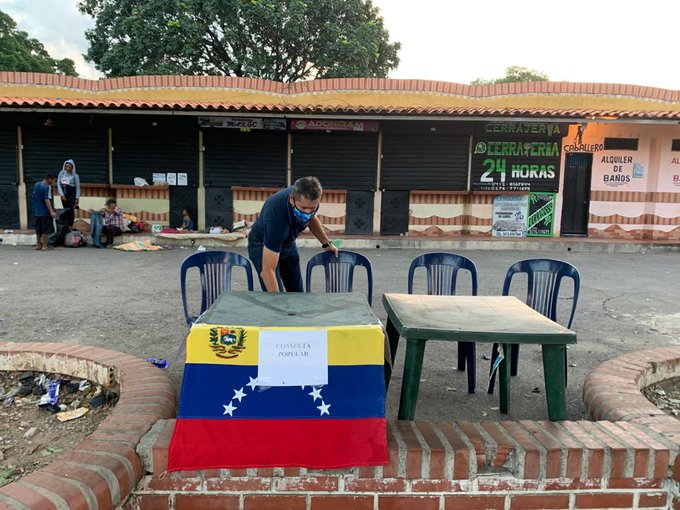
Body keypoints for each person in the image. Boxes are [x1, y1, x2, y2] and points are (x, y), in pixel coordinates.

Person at [248, 176, 338, 292]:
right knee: (274, 293)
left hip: (288, 242)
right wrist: (277, 304)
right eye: (303, 208)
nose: (307, 212)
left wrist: (326, 244)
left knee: (296, 291)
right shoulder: (276, 218)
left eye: (312, 208)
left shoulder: (310, 200)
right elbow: (267, 271)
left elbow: (312, 219)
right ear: (292, 199)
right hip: (262, 243)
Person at [33, 173, 57, 251]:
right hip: (45, 212)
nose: (54, 183)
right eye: (54, 180)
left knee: (38, 229)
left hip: (37, 211)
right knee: (45, 230)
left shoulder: (36, 185)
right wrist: (51, 211)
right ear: (49, 179)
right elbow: (47, 200)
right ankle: (44, 245)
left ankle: (38, 244)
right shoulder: (47, 187)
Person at [56, 159, 80, 229]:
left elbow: (78, 187)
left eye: (69, 167)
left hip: (72, 192)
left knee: (70, 209)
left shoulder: (75, 176)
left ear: (72, 167)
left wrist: (77, 198)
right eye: (66, 166)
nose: (68, 168)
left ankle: (70, 225)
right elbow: (58, 184)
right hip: (64, 192)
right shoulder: (61, 173)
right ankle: (65, 224)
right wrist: (62, 194)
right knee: (65, 209)